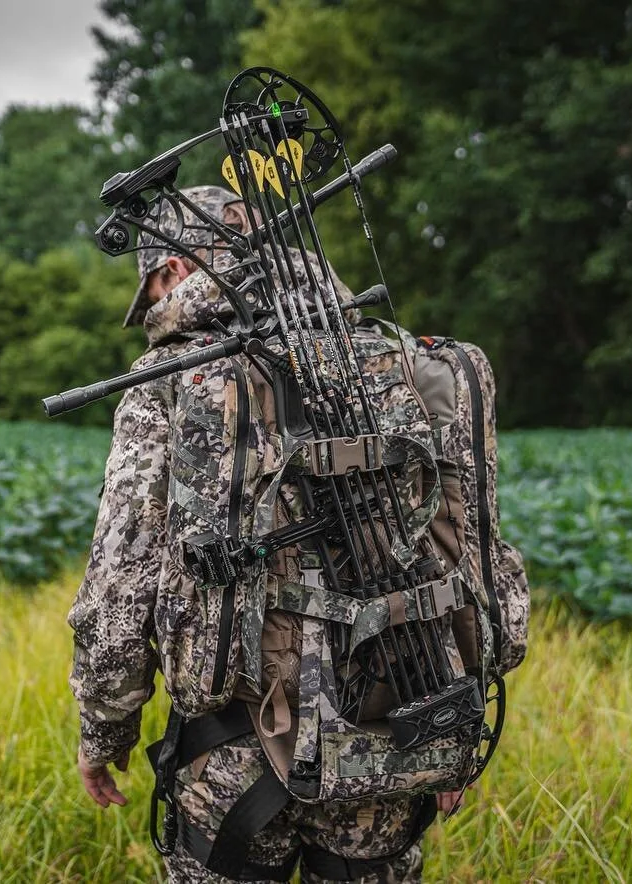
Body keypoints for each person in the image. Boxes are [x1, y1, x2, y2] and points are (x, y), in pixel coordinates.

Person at [68, 185, 469, 883]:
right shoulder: (391, 361)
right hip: (394, 725)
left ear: (176, 271)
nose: (155, 305)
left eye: (157, 281)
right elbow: (458, 547)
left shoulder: (167, 381)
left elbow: (119, 587)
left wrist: (104, 728)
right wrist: (452, 728)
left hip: (231, 751)